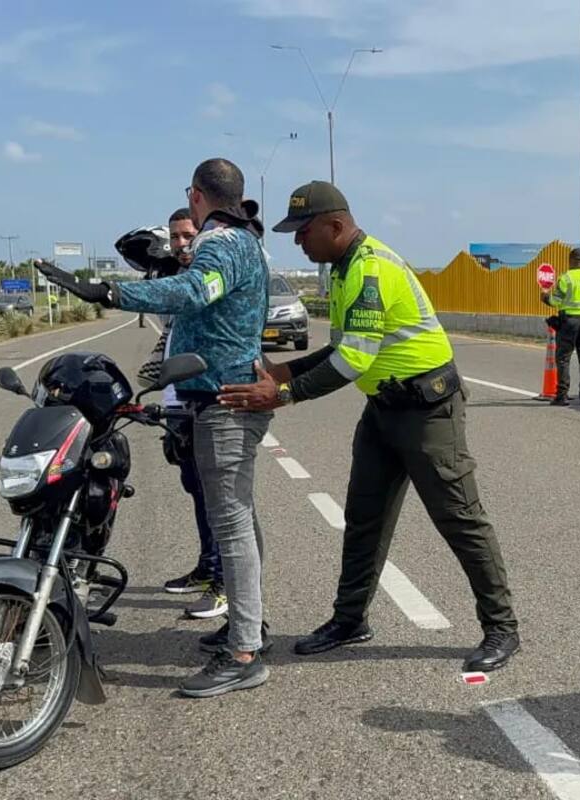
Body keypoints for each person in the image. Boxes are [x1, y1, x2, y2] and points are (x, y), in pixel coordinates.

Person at [217, 180, 521, 673]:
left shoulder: (370, 269)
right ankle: (349, 619)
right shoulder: (344, 270)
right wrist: (284, 371)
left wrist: (283, 394)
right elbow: (343, 348)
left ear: (336, 225)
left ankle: (502, 627)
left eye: (304, 231)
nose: (299, 241)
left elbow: (353, 361)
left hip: (427, 411)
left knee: (460, 519)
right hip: (383, 408)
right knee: (364, 518)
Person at [36, 158, 273, 698]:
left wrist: (110, 292)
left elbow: (192, 292)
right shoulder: (242, 240)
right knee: (238, 518)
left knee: (232, 523)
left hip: (224, 400)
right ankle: (250, 626)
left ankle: (244, 653)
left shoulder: (221, 242)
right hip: (216, 394)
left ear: (196, 196)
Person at [127, 210, 228, 621]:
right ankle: (208, 565)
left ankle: (225, 582)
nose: (181, 243)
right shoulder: (176, 278)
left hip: (208, 401)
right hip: (177, 401)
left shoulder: (210, 280)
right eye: (174, 237)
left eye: (188, 235)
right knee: (194, 488)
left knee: (217, 496)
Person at [540, 247, 580, 406]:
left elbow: (555, 301)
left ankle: (562, 396)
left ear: (572, 261)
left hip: (569, 322)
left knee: (563, 358)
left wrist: (545, 296)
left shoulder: (566, 278)